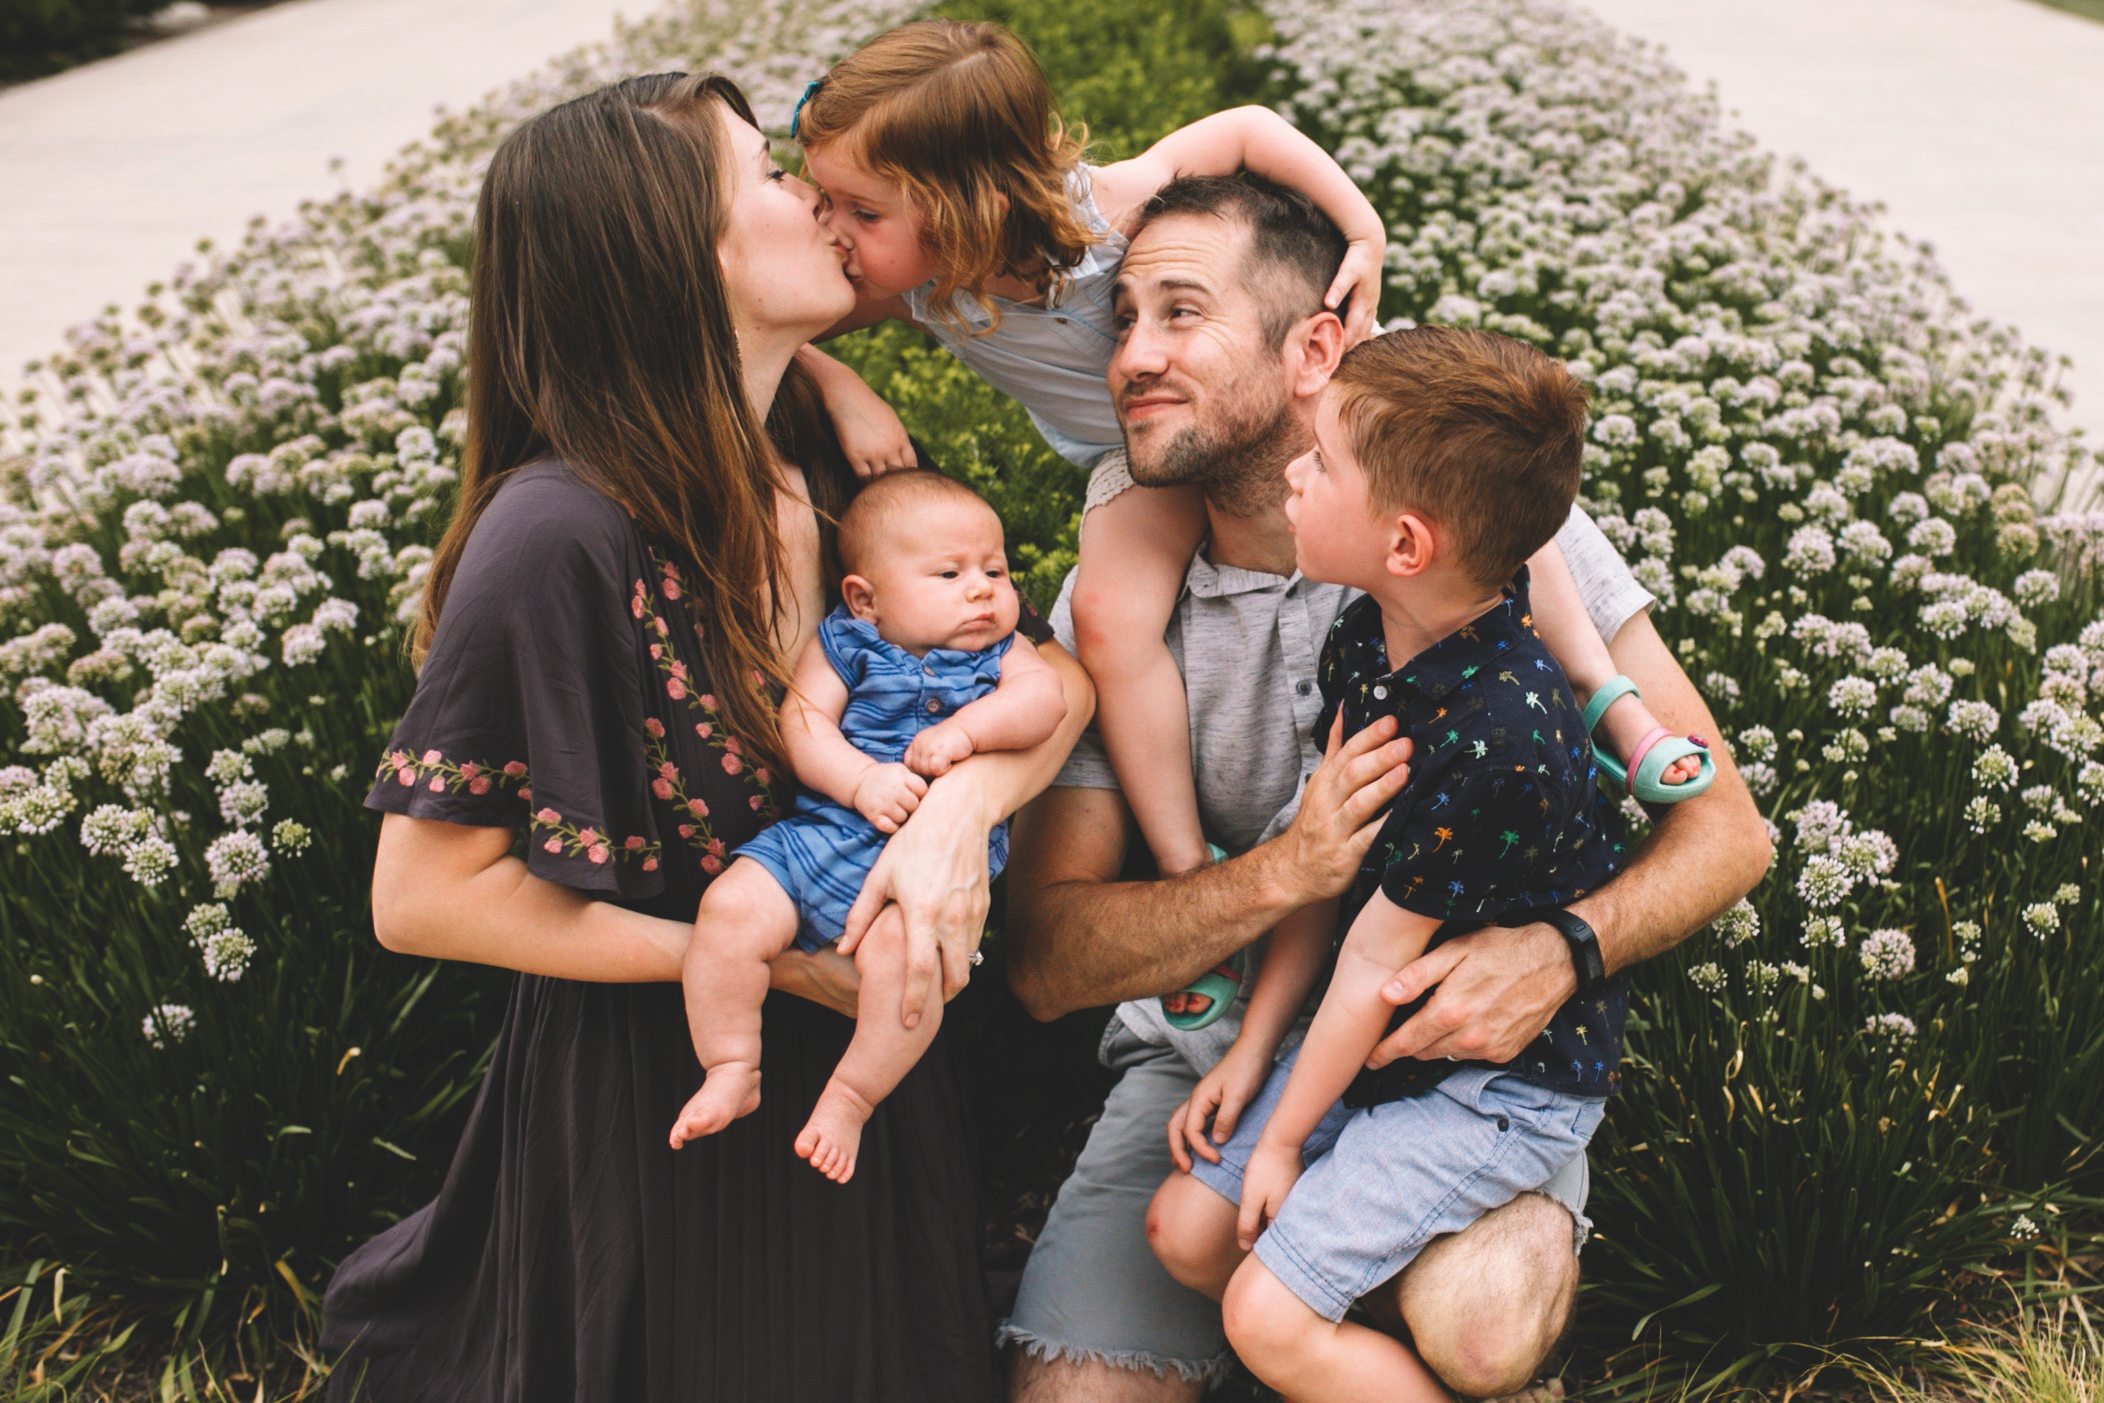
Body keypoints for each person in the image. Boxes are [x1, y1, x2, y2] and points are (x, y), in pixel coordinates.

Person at [321, 73, 1090, 1403]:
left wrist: (960, 818)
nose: (818, 196)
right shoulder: (557, 535)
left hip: (867, 1080)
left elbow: (1053, 686)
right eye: (773, 179)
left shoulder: (829, 467)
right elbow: (422, 894)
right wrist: (778, 967)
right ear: (678, 257)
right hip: (665, 1112)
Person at [998, 174, 1772, 1401]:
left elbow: (1727, 833)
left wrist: (1564, 950)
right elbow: (1044, 956)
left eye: (1180, 313)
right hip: (1223, 1050)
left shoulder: (1478, 533)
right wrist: (1282, 873)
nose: (1131, 357)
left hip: (1460, 1049)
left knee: (1471, 1325)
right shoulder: (1122, 592)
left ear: (1314, 345)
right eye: (1123, 318)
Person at [789, 20, 1707, 1029]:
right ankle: (1190, 862)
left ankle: (1611, 703)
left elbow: (1248, 128)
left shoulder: (1110, 207)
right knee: (1106, 609)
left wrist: (1364, 234)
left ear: (964, 204)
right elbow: (778, 313)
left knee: (1489, 497)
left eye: (858, 208)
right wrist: (836, 381)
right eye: (1132, 320)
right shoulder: (919, 276)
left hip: (1271, 430)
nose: (833, 228)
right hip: (1135, 461)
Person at [1148, 326, 1636, 1403]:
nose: (1292, 469)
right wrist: (1254, 1049)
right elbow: (1329, 872)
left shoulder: (1494, 733)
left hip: (1496, 1082)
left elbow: (1373, 957)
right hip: (1372, 1031)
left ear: (1405, 544)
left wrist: (1279, 1141)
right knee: (1187, 1231)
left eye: (1319, 460)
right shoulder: (1370, 635)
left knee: (1263, 1314)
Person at [670, 470, 1067, 1183]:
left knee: (908, 971)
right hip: (818, 837)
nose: (982, 588)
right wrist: (860, 778)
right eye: (949, 573)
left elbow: (1047, 704)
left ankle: (852, 1095)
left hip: (919, 877)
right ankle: (731, 1060)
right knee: (728, 908)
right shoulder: (847, 643)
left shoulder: (1004, 654)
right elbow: (804, 721)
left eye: (995, 569)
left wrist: (970, 732)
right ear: (865, 598)